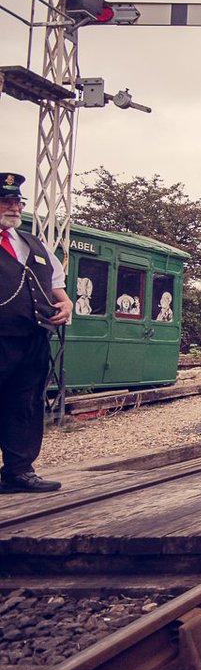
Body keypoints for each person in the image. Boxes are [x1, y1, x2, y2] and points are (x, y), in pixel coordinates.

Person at [0, 172, 72, 493]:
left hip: (33, 340)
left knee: (25, 403)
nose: (14, 207)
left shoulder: (33, 243)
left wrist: (66, 305)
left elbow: (57, 285)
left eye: (17, 201)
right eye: (6, 201)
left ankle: (19, 470)